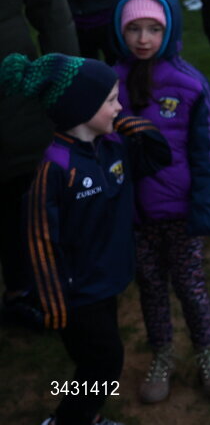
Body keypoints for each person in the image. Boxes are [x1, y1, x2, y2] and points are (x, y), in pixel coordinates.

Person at [0, 52, 170, 425]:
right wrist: (53, 300)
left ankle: (86, 413)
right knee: (105, 362)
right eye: (110, 100)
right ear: (80, 109)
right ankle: (68, 417)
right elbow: (40, 240)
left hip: (105, 280)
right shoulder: (55, 169)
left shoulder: (112, 146)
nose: (119, 106)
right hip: (75, 294)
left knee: (96, 362)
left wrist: (118, 119)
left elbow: (159, 155)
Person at [110, 0, 210, 403]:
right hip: (137, 216)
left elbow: (205, 153)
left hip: (179, 214)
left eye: (153, 29)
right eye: (134, 29)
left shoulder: (191, 85)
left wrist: (202, 209)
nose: (144, 39)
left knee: (191, 288)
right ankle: (162, 355)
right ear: (120, 32)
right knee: (151, 289)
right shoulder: (112, 84)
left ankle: (208, 354)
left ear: (169, 30)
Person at [0, 0, 78, 331]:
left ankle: (21, 289)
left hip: (10, 89)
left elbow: (49, 4)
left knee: (18, 196)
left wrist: (69, 84)